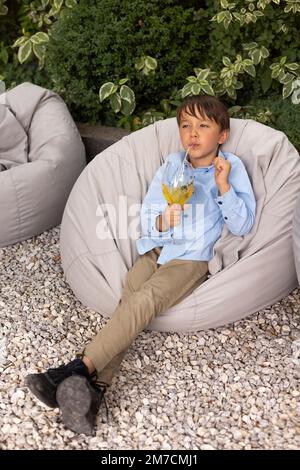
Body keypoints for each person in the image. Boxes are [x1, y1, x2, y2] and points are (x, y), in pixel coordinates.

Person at [25, 94, 256, 435]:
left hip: (189, 259)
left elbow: (242, 225)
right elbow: (147, 219)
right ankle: (95, 395)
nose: (193, 133)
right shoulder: (171, 167)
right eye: (186, 126)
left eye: (203, 126)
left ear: (221, 135)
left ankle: (73, 369)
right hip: (155, 250)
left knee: (144, 301)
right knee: (130, 299)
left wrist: (222, 187)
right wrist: (163, 220)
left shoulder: (230, 169)